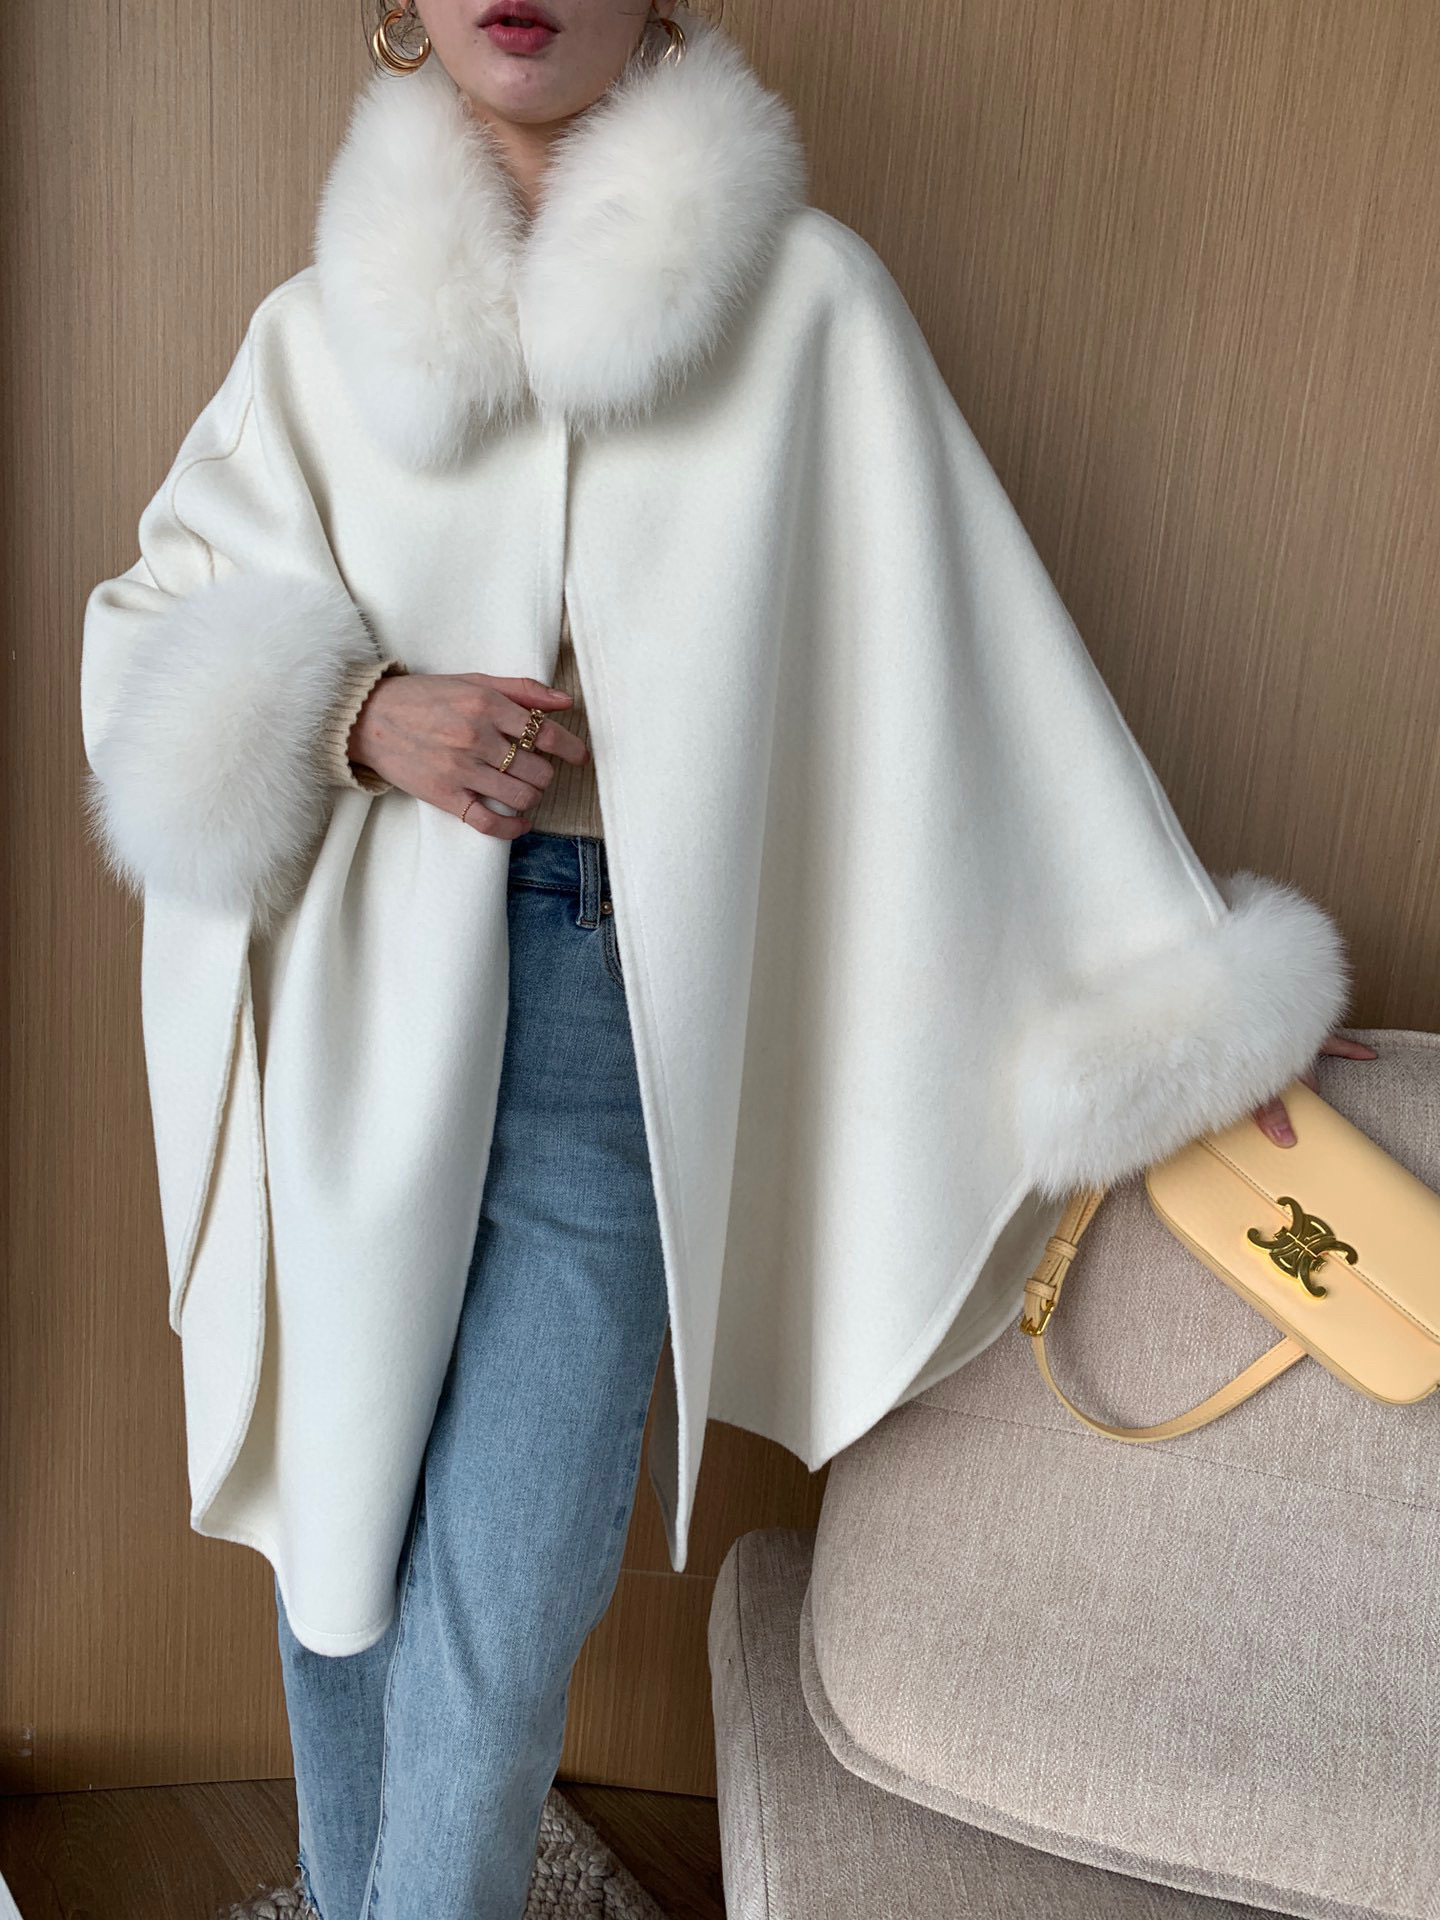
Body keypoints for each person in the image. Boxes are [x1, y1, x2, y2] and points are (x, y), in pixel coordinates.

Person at [79, 2, 1373, 1914]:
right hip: (355, 1006)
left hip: (619, 1024)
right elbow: (147, 634)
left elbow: (988, 684)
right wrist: (357, 714)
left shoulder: (806, 306)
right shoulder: (316, 336)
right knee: (339, 1540)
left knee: (504, 1597)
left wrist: (1184, 996)